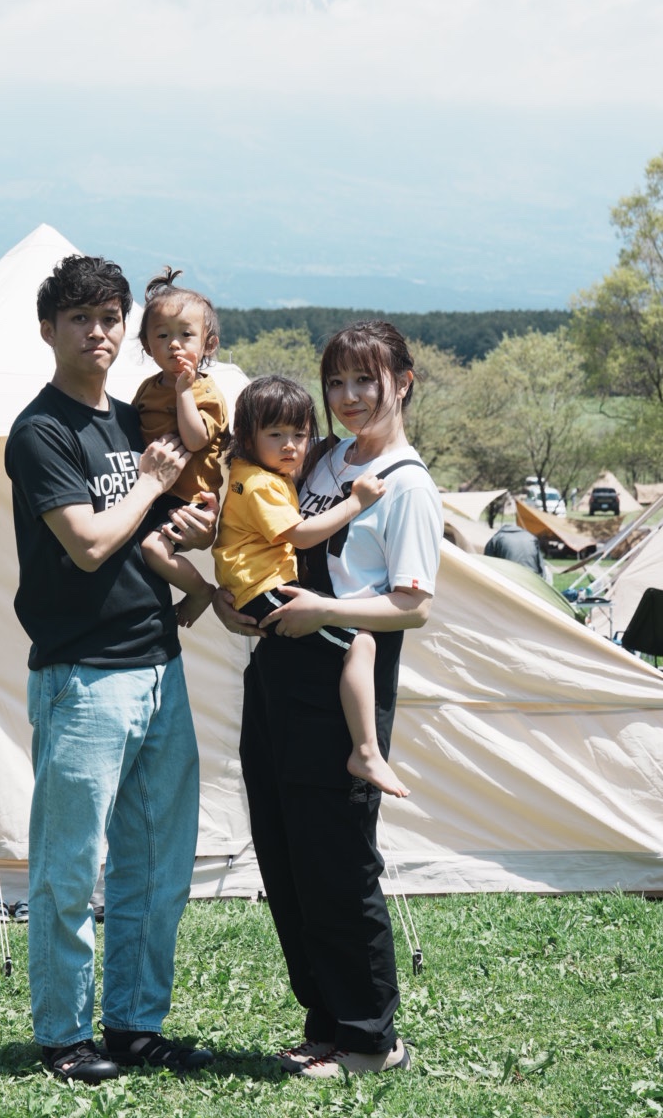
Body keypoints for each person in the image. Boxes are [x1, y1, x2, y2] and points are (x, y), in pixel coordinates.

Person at [4, 254, 217, 1084]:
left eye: (110, 318)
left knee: (156, 864)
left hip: (159, 665)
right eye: (81, 319)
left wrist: (193, 532)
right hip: (83, 678)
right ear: (49, 330)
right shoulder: (41, 431)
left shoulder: (135, 420)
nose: (99, 332)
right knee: (69, 866)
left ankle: (133, 1023)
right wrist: (154, 482)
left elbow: (155, 534)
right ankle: (63, 1036)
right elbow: (91, 544)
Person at [213, 320, 441, 1079]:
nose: (347, 398)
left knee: (338, 863)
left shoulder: (406, 486)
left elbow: (412, 606)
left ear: (402, 382)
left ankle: (371, 1038)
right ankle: (325, 1024)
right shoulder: (317, 456)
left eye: (365, 381)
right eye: (336, 382)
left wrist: (326, 613)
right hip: (277, 668)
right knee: (285, 856)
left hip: (343, 680)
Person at [212, 375, 407, 797]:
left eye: (300, 435)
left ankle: (365, 750)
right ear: (246, 436)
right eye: (276, 434)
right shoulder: (262, 484)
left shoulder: (252, 472)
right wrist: (356, 502)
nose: (290, 446)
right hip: (265, 589)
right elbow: (300, 535)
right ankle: (366, 751)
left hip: (252, 587)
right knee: (362, 643)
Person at [132, 268, 230, 629]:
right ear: (147, 346)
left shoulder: (205, 392)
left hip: (189, 499)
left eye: (186, 335)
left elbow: (195, 440)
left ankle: (202, 591)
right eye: (162, 335)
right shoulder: (146, 388)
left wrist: (183, 392)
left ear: (208, 345)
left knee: (153, 549)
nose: (175, 344)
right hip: (154, 492)